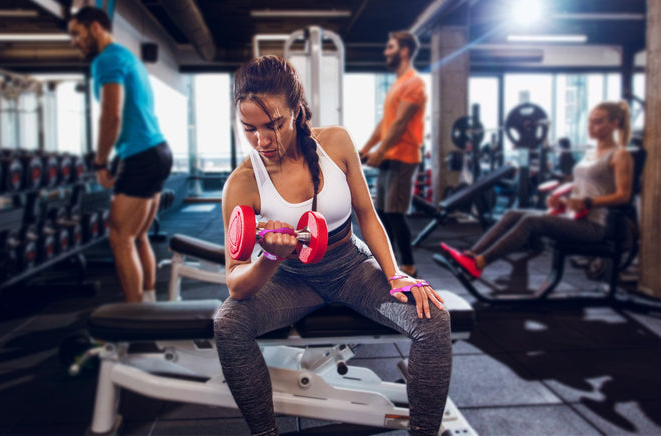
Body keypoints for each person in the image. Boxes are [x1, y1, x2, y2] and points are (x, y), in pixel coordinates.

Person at [215, 56, 451, 436]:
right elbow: (236, 284)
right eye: (249, 129)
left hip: (351, 268)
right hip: (291, 280)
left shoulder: (336, 142)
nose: (263, 141)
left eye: (274, 124)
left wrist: (394, 275)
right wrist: (271, 258)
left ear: (297, 110)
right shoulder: (241, 183)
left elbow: (367, 216)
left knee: (434, 321)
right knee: (227, 325)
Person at [441, 101, 634, 278]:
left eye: (598, 122)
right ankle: (471, 255)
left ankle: (481, 263)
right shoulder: (591, 153)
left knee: (530, 221)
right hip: (572, 216)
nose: (591, 126)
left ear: (615, 123)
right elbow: (583, 188)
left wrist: (589, 202)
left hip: (593, 226)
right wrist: (561, 200)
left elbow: (623, 196)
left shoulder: (620, 155)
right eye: (590, 121)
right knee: (512, 213)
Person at [68, 6, 172, 303]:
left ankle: (136, 326)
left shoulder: (107, 59)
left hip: (141, 155)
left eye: (77, 33)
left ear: (96, 28)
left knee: (120, 237)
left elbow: (111, 115)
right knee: (138, 235)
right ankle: (150, 307)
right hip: (157, 150)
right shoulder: (129, 58)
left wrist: (100, 162)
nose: (74, 41)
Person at [359, 31, 427, 277]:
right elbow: (385, 124)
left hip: (403, 157)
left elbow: (400, 123)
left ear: (404, 51)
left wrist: (381, 151)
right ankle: (392, 262)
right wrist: (367, 149)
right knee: (384, 213)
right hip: (390, 157)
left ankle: (408, 265)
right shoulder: (397, 85)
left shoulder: (414, 83)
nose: (386, 52)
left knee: (395, 213)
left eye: (390, 47)